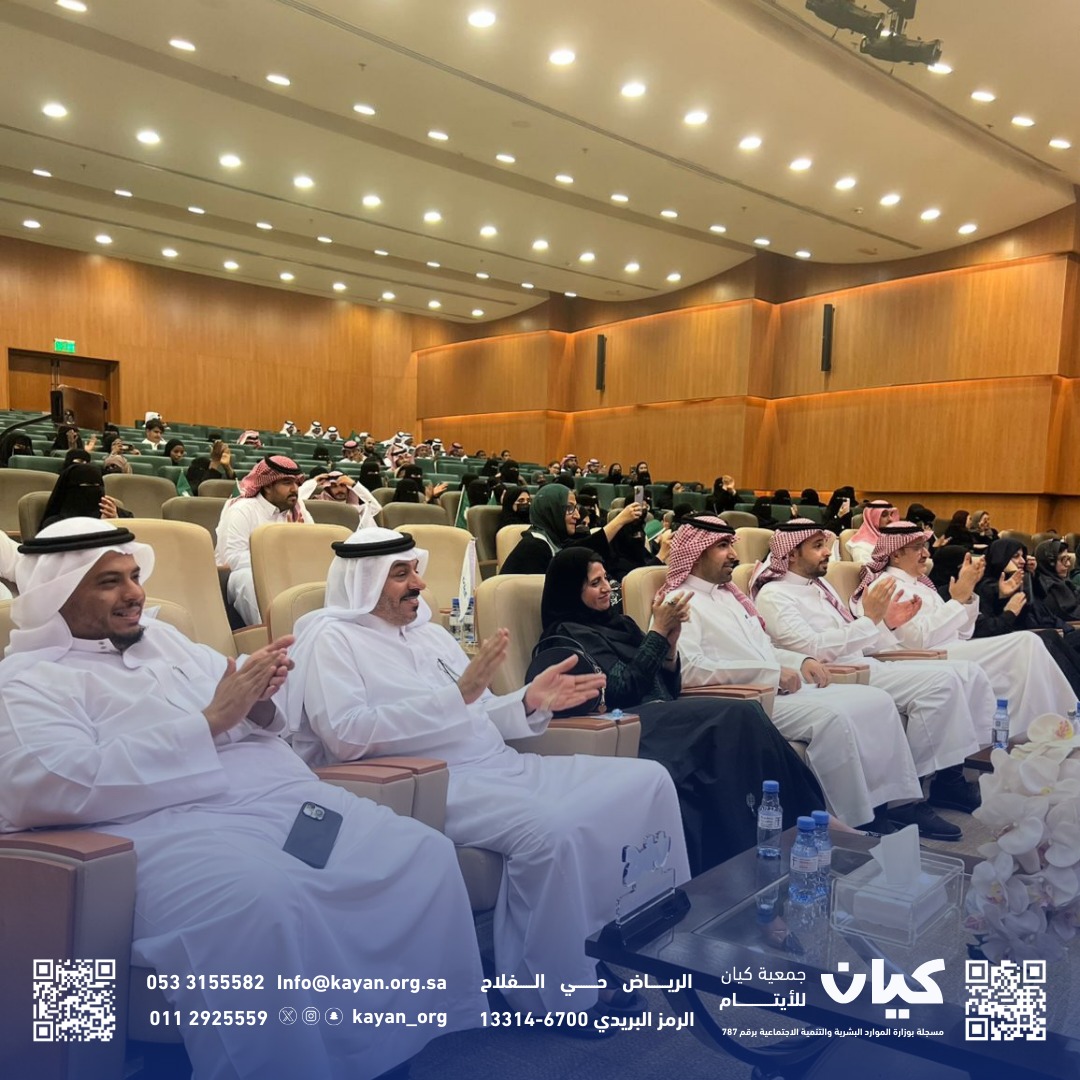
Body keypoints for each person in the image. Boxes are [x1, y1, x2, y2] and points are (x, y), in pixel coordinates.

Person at [0, 518, 486, 1080]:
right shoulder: (26, 681)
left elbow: (250, 714)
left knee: (418, 852)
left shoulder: (168, 641)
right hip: (160, 833)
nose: (134, 593)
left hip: (280, 804)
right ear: (57, 594)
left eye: (134, 576)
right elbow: (49, 785)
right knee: (266, 902)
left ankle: (385, 1049)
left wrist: (258, 700)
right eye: (110, 582)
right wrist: (208, 723)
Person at [282, 526, 689, 1020]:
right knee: (550, 829)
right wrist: (454, 697)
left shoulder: (431, 635)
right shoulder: (332, 639)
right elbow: (345, 735)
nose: (419, 584)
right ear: (363, 582)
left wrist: (528, 701)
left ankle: (611, 941)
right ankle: (549, 993)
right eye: (401, 574)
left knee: (647, 781)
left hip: (501, 765)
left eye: (416, 571)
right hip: (437, 781)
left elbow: (479, 710)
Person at [538, 546, 826, 870]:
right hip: (628, 726)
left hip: (664, 717)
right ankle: (796, 828)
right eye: (594, 583)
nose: (606, 588)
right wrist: (658, 633)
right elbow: (620, 690)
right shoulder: (567, 636)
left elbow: (668, 687)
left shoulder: (620, 625)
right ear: (570, 590)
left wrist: (670, 648)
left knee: (744, 718)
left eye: (607, 579)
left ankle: (795, 829)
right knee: (738, 714)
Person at [663, 516, 922, 831]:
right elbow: (690, 670)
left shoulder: (727, 596)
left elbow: (760, 648)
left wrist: (799, 661)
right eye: (722, 546)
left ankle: (885, 808)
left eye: (731, 544)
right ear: (696, 552)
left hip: (770, 688)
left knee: (876, 700)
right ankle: (849, 824)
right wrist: (770, 673)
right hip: (741, 703)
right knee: (834, 718)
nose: (734, 554)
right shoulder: (677, 601)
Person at [751, 520, 995, 839]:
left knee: (953, 676)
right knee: (937, 684)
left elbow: (860, 639)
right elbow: (813, 648)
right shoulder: (774, 595)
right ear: (792, 554)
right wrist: (870, 621)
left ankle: (938, 784)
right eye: (817, 546)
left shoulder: (820, 588)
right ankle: (908, 801)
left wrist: (885, 624)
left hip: (861, 663)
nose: (827, 553)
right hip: (832, 675)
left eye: (826, 545)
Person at [849, 521, 1075, 737]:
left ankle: (1051, 726)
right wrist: (956, 602)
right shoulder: (885, 586)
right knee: (1026, 643)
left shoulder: (921, 586)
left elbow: (964, 632)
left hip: (950, 649)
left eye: (925, 547)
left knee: (1030, 643)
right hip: (923, 659)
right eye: (917, 548)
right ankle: (1043, 729)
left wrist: (965, 597)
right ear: (896, 554)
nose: (926, 554)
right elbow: (917, 641)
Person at [215, 456, 313, 626]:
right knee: (246, 578)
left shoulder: (298, 509)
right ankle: (273, 634)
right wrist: (278, 563)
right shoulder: (243, 509)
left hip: (288, 573)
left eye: (297, 483)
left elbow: (313, 546)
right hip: (242, 577)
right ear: (267, 485)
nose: (295, 489)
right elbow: (232, 558)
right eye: (287, 483)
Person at [499, 481, 647, 576]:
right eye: (569, 508)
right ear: (552, 510)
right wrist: (619, 520)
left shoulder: (558, 540)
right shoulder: (534, 547)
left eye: (575, 508)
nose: (577, 515)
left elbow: (587, 547)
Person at [39, 463, 131, 530]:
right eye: (87, 485)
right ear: (72, 489)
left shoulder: (119, 515)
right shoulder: (54, 525)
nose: (95, 490)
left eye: (98, 485)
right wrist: (101, 526)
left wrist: (115, 523)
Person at [299, 471, 381, 529]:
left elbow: (376, 508)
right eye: (334, 486)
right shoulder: (316, 506)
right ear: (328, 489)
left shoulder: (357, 510)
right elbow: (296, 503)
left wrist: (354, 485)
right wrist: (313, 482)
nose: (339, 490)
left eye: (342, 485)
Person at [1033, 538, 1080, 621]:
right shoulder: (1048, 588)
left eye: (1068, 559)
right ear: (1050, 562)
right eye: (1063, 560)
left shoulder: (1063, 582)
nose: (1068, 564)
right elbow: (1070, 615)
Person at [845, 499, 896, 564]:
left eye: (891, 515)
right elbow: (867, 569)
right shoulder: (862, 546)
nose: (890, 519)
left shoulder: (893, 540)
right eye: (884, 515)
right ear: (873, 518)